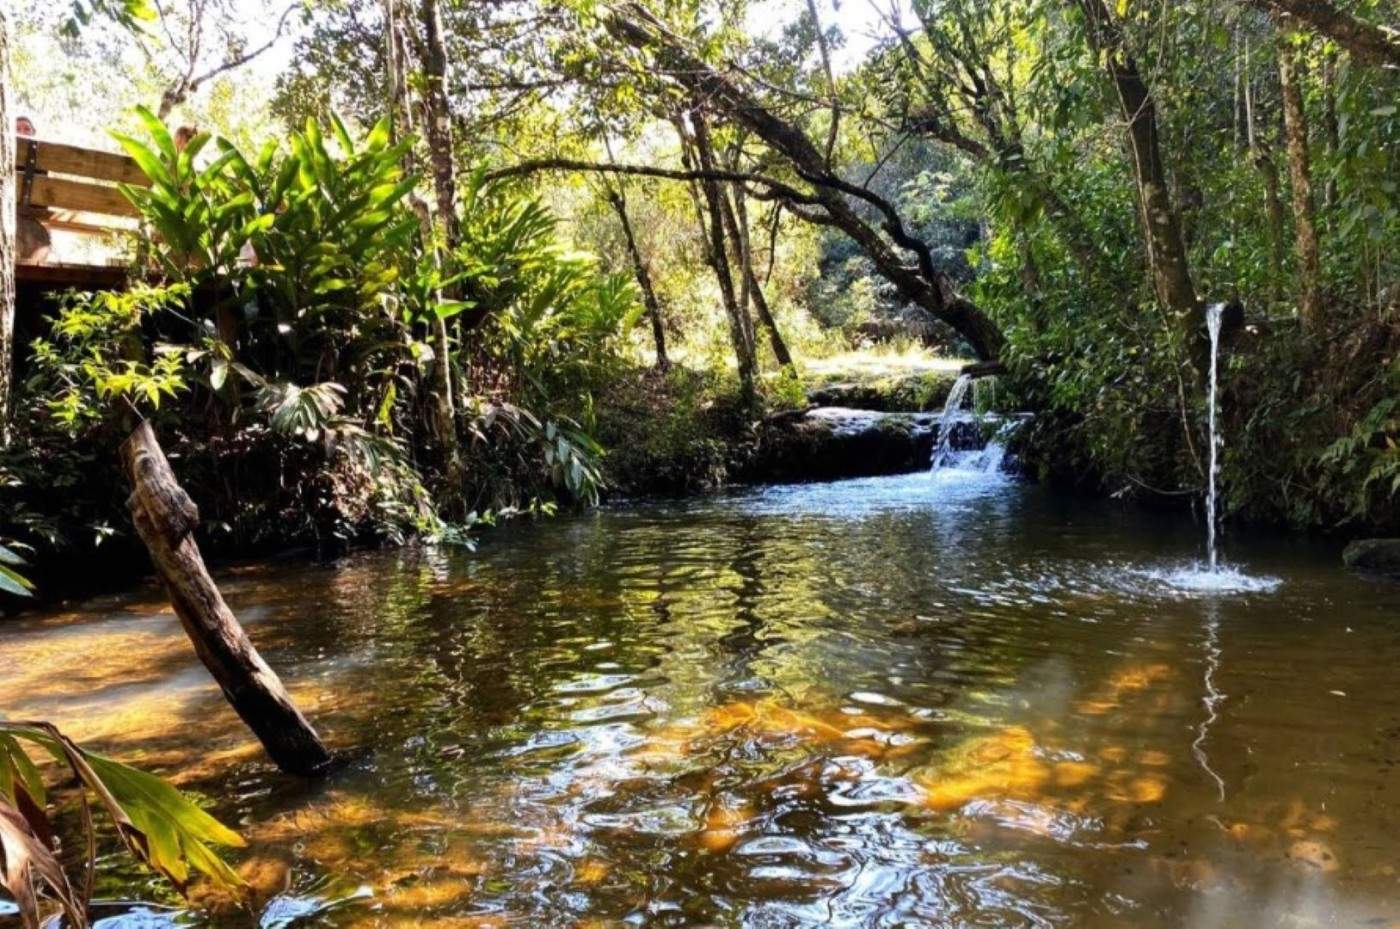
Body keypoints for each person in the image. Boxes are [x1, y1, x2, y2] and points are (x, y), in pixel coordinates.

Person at [13, 115, 52, 263]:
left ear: (33, 133)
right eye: (18, 129)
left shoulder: (40, 160)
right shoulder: (44, 157)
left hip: (28, 223)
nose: (22, 132)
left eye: (26, 129)